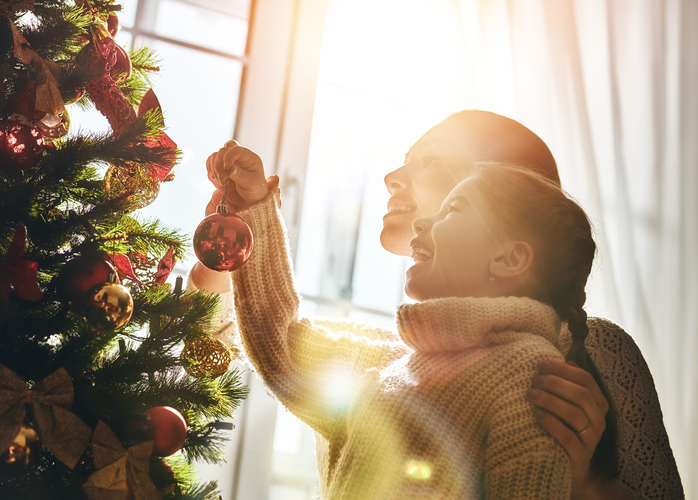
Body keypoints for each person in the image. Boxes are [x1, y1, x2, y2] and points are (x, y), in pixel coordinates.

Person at [189, 111, 684, 499]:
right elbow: (232, 343)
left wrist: (592, 489)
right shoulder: (389, 362)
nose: (391, 176)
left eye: (430, 162)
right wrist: (232, 240)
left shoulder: (595, 354)